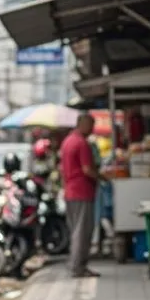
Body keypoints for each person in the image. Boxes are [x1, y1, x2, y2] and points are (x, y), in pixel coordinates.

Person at [59, 112, 104, 278]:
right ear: (83, 124)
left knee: (76, 230)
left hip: (70, 191)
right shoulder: (81, 143)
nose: (92, 129)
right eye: (91, 125)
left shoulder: (67, 141)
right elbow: (87, 170)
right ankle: (78, 267)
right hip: (82, 191)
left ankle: (76, 264)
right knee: (82, 231)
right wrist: (101, 177)